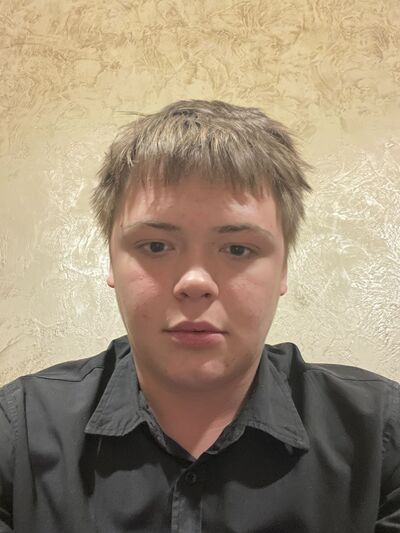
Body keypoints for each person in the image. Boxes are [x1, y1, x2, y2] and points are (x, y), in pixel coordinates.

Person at [0, 100, 399, 533]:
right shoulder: (17, 433)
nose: (195, 282)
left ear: (283, 270)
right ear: (111, 263)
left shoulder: (383, 436)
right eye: (155, 246)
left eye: (238, 249)